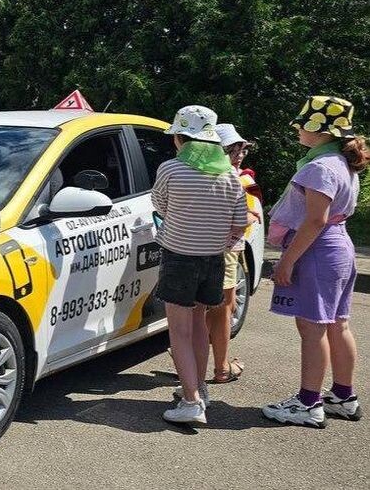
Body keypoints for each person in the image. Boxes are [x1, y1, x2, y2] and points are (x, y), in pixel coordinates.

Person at [262, 96, 368, 428]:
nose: (296, 129)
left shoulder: (319, 167)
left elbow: (314, 221)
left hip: (318, 249)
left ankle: (308, 402)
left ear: (320, 130)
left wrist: (287, 262)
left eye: (302, 124)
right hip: (339, 247)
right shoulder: (341, 163)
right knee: (338, 323)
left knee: (312, 327)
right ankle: (343, 395)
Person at [152, 105, 248, 425]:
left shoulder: (170, 170)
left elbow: (161, 205)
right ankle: (201, 390)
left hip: (179, 257)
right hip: (213, 261)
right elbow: (240, 223)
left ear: (181, 139)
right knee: (198, 328)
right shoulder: (231, 176)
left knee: (178, 332)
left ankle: (191, 401)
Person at [199, 123, 262, 384]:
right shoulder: (223, 176)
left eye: (242, 149)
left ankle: (210, 364)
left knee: (222, 307)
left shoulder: (241, 177)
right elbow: (245, 216)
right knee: (220, 308)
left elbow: (252, 214)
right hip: (219, 249)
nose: (239, 153)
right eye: (232, 148)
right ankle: (219, 368)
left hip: (226, 249)